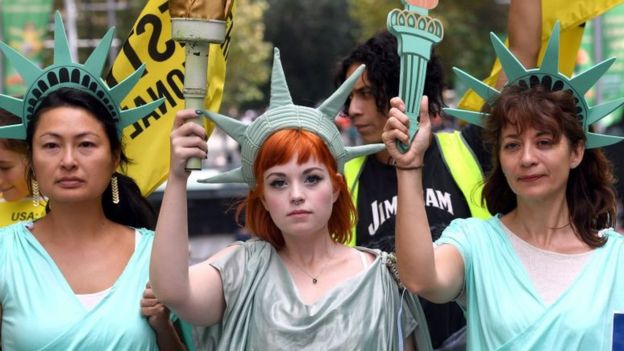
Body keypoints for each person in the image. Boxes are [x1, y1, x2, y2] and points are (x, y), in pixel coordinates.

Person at [150, 49, 432, 351]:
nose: (296, 195)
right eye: (278, 182)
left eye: (312, 178)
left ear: (336, 188)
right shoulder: (241, 271)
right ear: (264, 198)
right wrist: (177, 177)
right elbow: (173, 291)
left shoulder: (382, 279)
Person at [383, 23, 624, 350]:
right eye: (512, 145)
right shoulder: (475, 243)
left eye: (544, 142)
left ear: (577, 151)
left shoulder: (616, 260)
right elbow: (420, 278)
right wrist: (410, 167)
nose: (527, 158)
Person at [0, 13, 186, 350]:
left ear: (115, 157)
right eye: (51, 145)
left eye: (86, 144)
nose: (68, 160)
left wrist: (161, 324)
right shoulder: (5, 253)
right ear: (32, 159)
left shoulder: (156, 255)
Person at [335, 30, 490, 349]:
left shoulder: (471, 150)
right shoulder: (339, 178)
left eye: (366, 94)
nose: (353, 110)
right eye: (349, 97)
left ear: (402, 93)